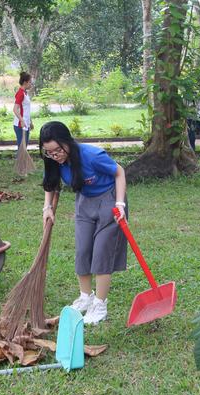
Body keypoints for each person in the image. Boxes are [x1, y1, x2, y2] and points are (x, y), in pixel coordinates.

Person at [40, 121, 128, 325]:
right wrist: (47, 208)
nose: (55, 156)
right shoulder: (54, 161)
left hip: (109, 200)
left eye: (57, 150)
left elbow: (119, 172)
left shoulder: (91, 155)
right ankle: (85, 297)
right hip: (84, 203)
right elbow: (50, 183)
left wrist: (120, 203)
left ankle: (100, 305)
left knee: (101, 253)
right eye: (49, 152)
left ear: (67, 142)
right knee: (83, 251)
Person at [13, 72, 33, 155]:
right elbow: (15, 109)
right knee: (21, 147)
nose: (31, 84)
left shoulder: (25, 93)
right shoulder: (20, 93)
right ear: (25, 82)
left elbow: (26, 109)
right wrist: (21, 120)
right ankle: (20, 166)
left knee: (24, 147)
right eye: (30, 82)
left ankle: (23, 165)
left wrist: (30, 122)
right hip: (20, 125)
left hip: (26, 124)